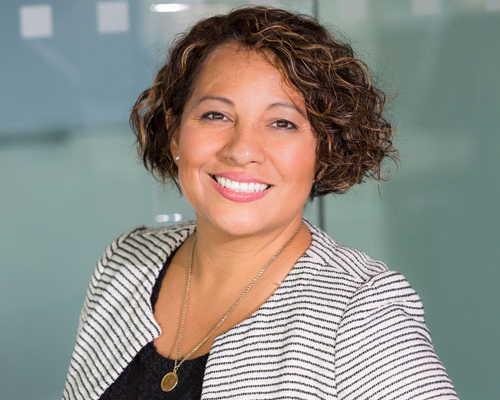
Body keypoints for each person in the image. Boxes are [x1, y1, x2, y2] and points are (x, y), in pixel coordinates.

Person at [62, 6, 458, 400]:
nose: (242, 150)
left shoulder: (360, 313)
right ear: (174, 133)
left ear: (325, 152)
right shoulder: (126, 262)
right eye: (216, 115)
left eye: (282, 123)